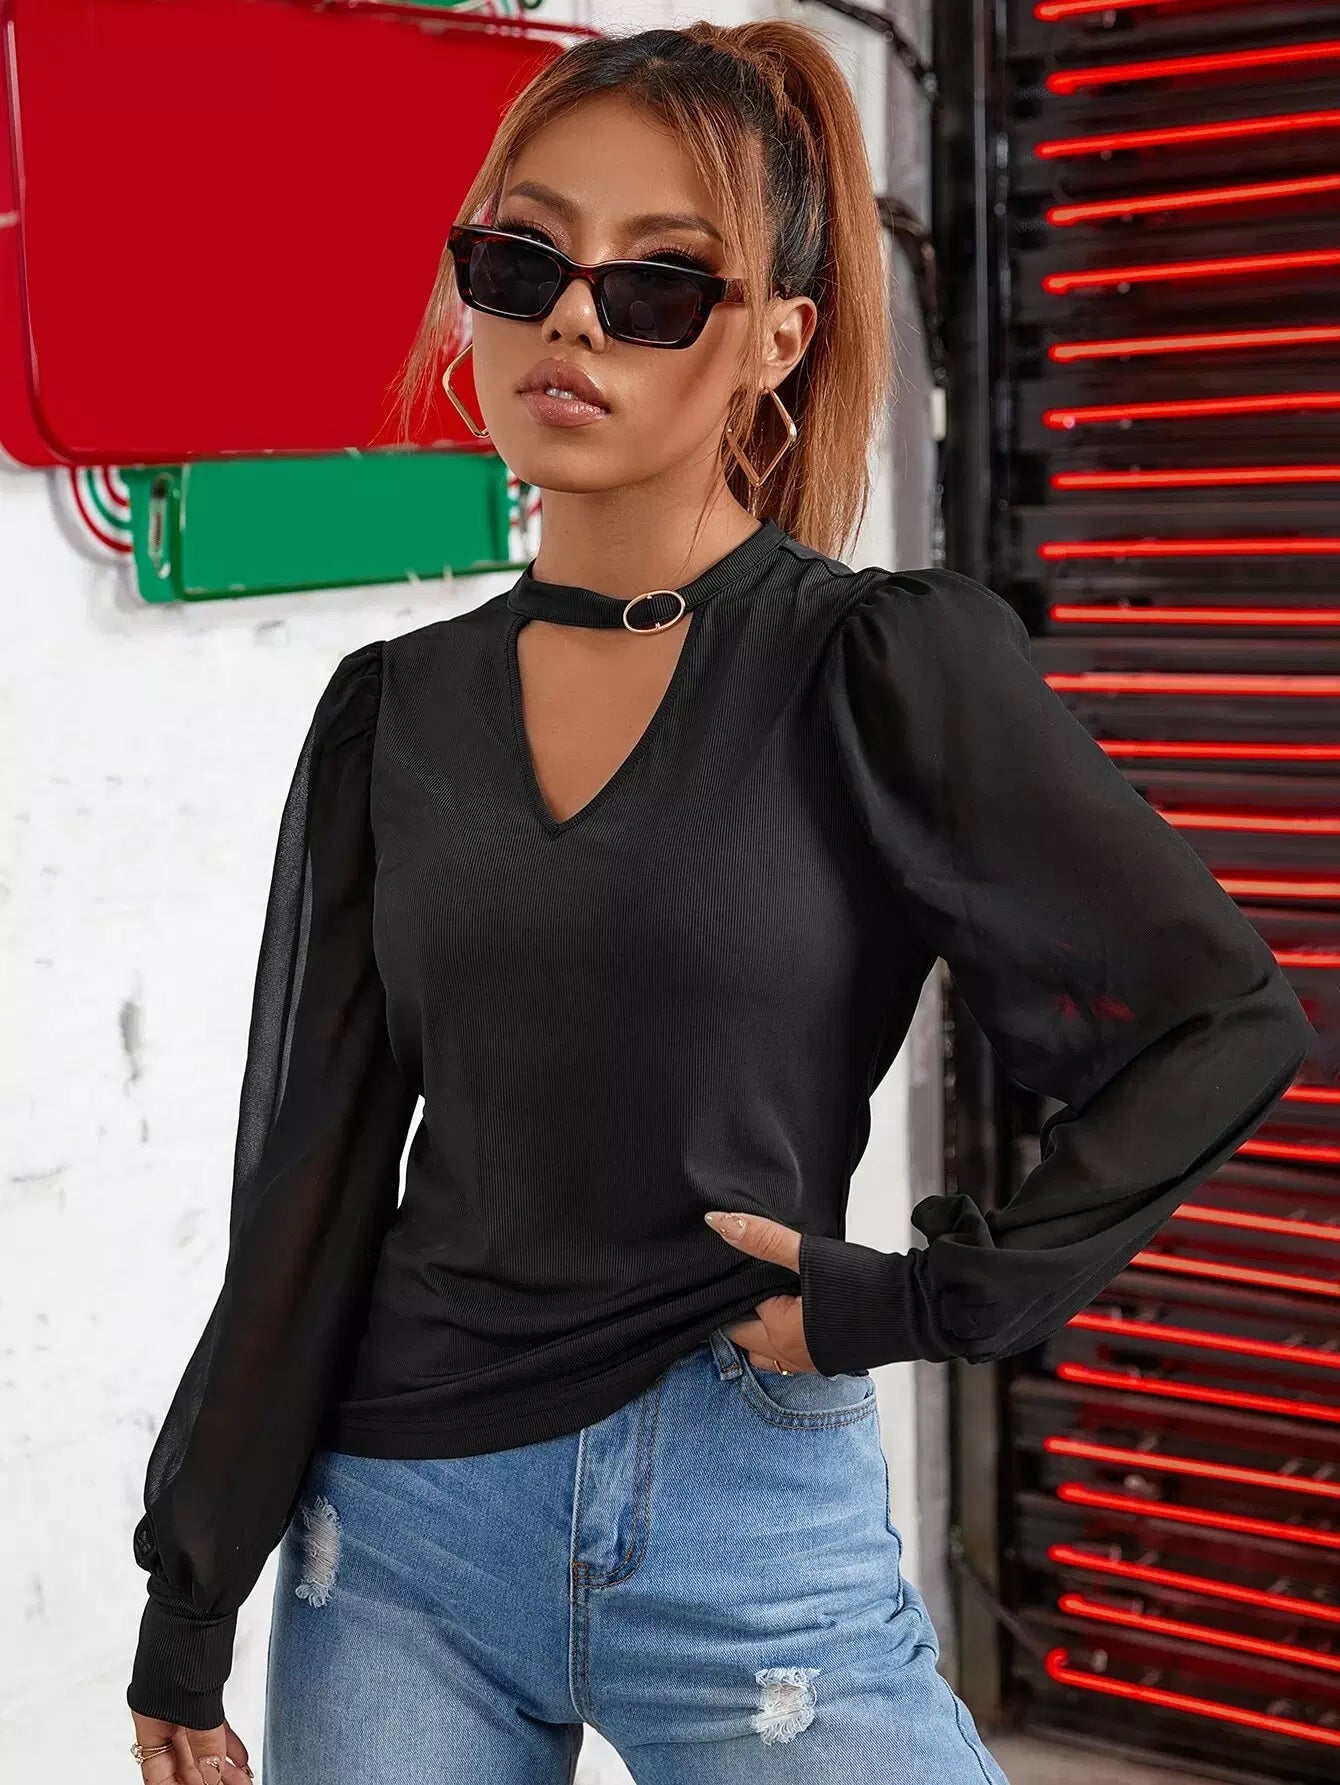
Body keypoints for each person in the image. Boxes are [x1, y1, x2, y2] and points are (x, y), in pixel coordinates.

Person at [125, 21, 1314, 1784]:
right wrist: (192, 1586)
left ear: (777, 341)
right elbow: (312, 1172)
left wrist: (921, 1299)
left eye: (660, 285)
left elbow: (1215, 1021)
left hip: (744, 1515)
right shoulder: (392, 712)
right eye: (523, 261)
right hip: (399, 1540)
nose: (574, 322)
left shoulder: (873, 665)